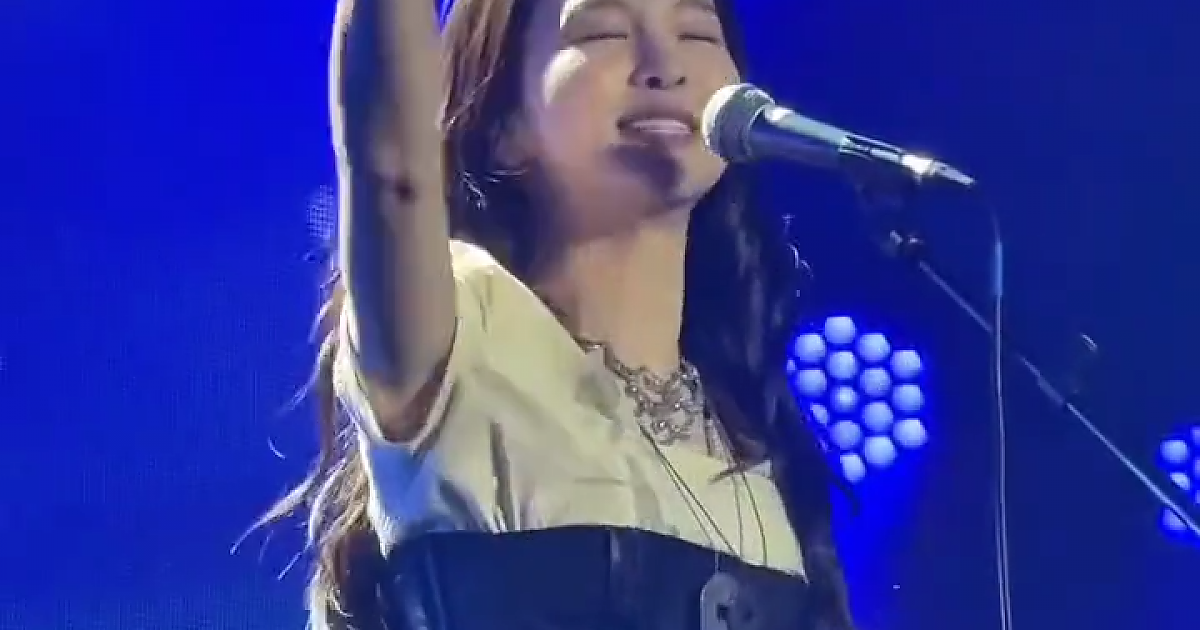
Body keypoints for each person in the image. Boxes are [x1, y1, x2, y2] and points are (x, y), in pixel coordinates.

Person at [261, 0, 855, 628]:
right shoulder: (468, 331)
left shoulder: (755, 445)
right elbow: (390, 169)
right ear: (504, 127)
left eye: (696, 32)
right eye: (603, 31)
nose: (665, 65)